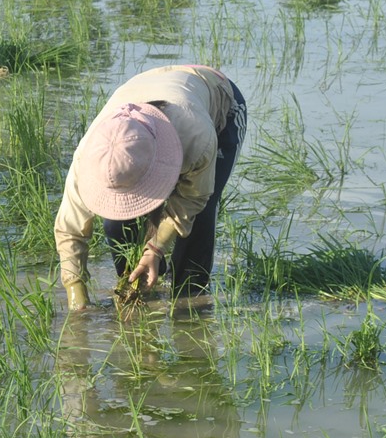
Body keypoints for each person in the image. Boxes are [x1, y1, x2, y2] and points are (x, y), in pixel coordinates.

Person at [54, 65, 247, 310]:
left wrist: (154, 248)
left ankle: (190, 304)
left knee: (199, 219)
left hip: (218, 101)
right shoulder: (91, 155)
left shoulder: (197, 137)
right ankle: (138, 289)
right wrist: (76, 296)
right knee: (116, 223)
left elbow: (193, 199)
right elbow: (69, 230)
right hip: (150, 86)